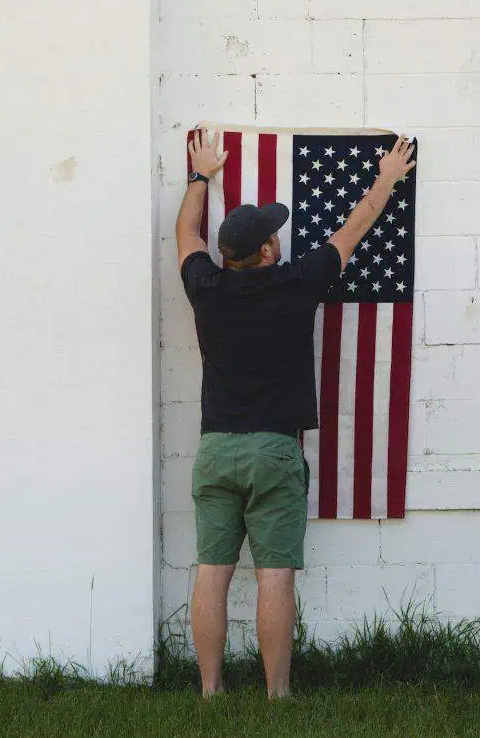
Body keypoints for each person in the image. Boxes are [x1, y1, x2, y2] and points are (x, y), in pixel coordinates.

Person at [176, 130, 415, 699]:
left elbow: (186, 233)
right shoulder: (294, 284)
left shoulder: (205, 288)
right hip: (274, 451)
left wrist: (199, 175)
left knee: (212, 571)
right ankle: (276, 694)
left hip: (216, 449)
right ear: (263, 253)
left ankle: (210, 691)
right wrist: (385, 178)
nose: (280, 240)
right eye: (273, 236)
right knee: (274, 574)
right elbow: (354, 228)